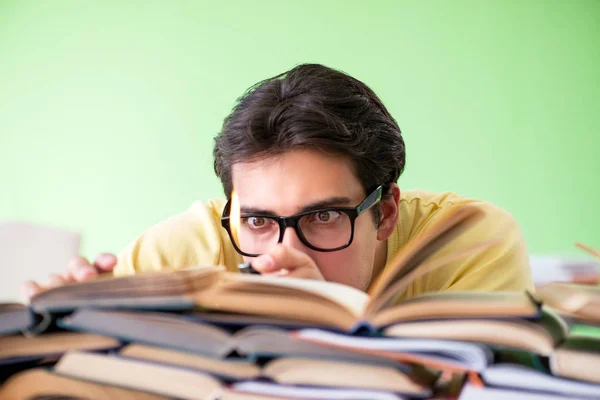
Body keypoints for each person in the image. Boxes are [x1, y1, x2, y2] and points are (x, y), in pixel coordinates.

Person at [22, 64, 534, 300]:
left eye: (324, 216)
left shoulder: (469, 243)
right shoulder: (193, 244)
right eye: (259, 221)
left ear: (387, 213)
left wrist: (327, 316)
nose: (283, 255)